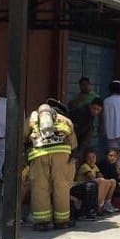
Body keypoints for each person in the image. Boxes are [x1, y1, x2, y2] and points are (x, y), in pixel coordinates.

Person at [27, 98, 77, 231]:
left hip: (38, 155)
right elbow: (73, 144)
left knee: (40, 188)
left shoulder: (33, 117)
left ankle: (42, 222)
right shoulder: (65, 120)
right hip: (61, 156)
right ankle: (62, 221)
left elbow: (23, 136)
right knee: (61, 188)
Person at [75, 149, 117, 215]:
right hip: (83, 187)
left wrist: (104, 180)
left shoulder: (95, 166)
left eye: (93, 157)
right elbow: (92, 177)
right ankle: (98, 206)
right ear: (85, 159)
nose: (92, 159)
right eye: (89, 158)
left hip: (92, 186)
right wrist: (102, 180)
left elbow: (100, 176)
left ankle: (107, 203)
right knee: (102, 181)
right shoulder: (84, 166)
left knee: (112, 181)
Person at [71, 97, 104, 161]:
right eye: (94, 108)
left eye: (98, 110)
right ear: (90, 106)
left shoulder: (91, 116)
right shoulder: (82, 112)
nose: (96, 111)